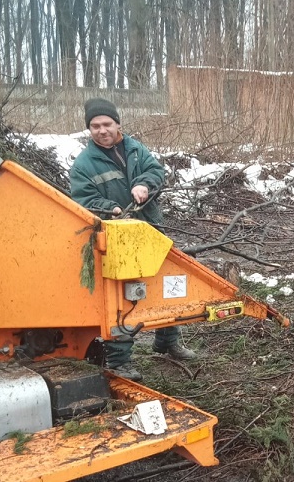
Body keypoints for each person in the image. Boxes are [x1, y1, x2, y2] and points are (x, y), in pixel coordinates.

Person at [69, 97, 196, 382]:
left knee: (167, 281)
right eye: (95, 126)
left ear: (117, 124)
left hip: (151, 227)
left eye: (107, 124)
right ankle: (119, 361)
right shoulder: (84, 164)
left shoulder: (135, 149)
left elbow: (157, 172)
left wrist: (143, 184)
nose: (102, 130)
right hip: (116, 237)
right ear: (89, 129)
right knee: (122, 296)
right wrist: (111, 208)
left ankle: (168, 341)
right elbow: (83, 200)